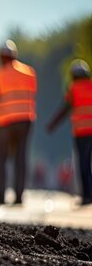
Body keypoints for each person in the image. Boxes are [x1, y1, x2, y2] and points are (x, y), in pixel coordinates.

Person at [0, 40, 37, 206]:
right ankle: (19, 196)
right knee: (20, 157)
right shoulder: (29, 72)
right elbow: (32, 93)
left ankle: (1, 195)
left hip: (5, 121)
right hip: (25, 120)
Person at [46, 59, 92, 206]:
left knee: (84, 164)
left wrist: (52, 124)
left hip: (82, 132)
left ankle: (87, 195)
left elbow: (64, 110)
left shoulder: (73, 89)